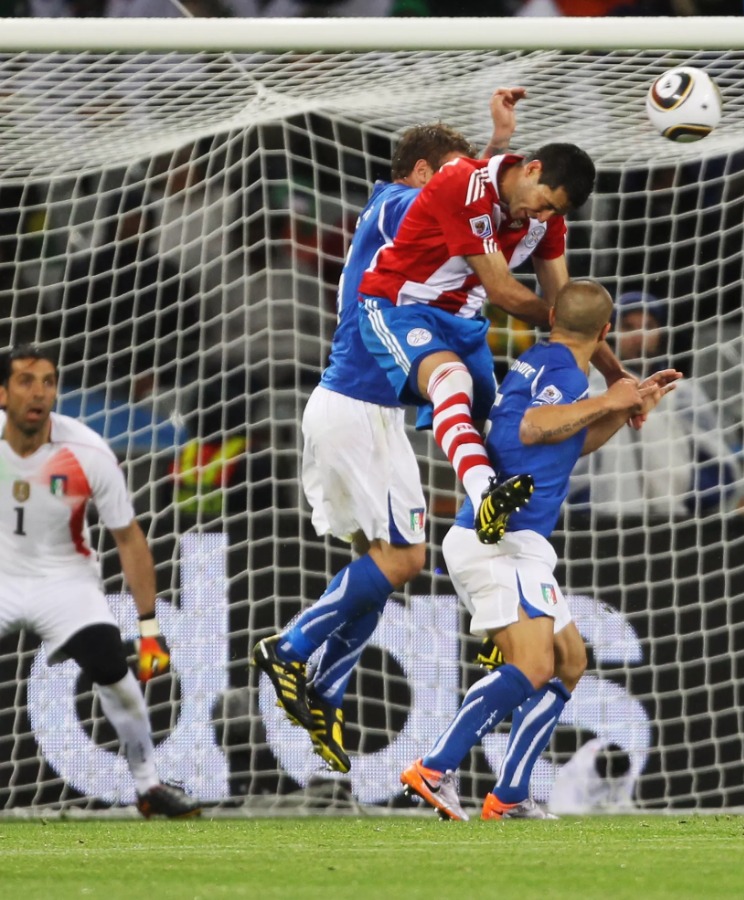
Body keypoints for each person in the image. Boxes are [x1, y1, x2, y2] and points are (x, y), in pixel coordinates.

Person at [252, 90, 521, 773]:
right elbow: (463, 205)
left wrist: (494, 144)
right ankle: (290, 648)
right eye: (459, 173)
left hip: (354, 411)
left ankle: (325, 692)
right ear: (430, 173)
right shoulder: (401, 205)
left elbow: (465, 201)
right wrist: (492, 160)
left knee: (386, 558)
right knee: (404, 559)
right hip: (358, 409)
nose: (469, 187)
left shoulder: (403, 209)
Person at [400, 280, 678, 821]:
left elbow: (566, 440)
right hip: (498, 541)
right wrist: (609, 397)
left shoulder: (539, 359)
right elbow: (534, 427)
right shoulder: (565, 372)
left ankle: (509, 796)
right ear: (606, 330)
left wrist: (626, 407)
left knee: (570, 662)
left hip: (516, 543)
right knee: (533, 666)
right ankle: (434, 768)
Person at [355, 131, 607, 546]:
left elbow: (571, 309)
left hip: (462, 322)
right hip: (399, 305)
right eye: (544, 204)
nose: (542, 218)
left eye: (554, 213)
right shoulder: (463, 182)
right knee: (452, 380)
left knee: (502, 427)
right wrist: (574, 327)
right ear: (532, 168)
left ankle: (486, 533)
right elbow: (507, 293)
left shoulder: (545, 219)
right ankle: (485, 494)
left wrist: (619, 378)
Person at [0, 345, 200, 819]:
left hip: (65, 582)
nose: (40, 393)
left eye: (48, 381)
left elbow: (129, 539)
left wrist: (149, 628)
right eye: (27, 381)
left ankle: (148, 786)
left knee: (117, 677)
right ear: (2, 393)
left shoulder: (86, 450)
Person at [571, 291, 737, 517]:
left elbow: (721, 469)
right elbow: (569, 469)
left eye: (648, 326)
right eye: (629, 327)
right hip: (604, 526)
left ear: (660, 333)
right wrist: (591, 509)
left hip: (673, 526)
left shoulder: (682, 393)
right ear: (612, 334)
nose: (639, 336)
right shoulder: (590, 392)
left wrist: (685, 496)